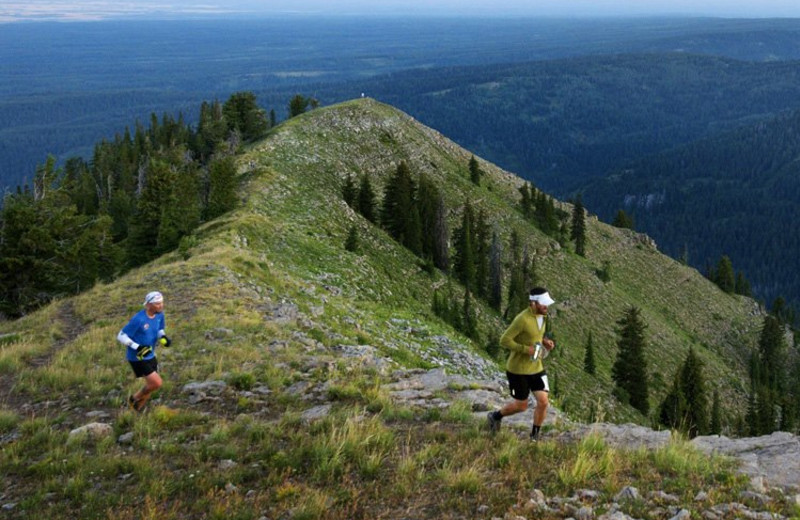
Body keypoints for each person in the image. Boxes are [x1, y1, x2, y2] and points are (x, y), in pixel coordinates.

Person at [487, 287, 556, 441]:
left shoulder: (543, 316)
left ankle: (534, 436)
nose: (546, 307)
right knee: (521, 406)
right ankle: (495, 416)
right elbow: (504, 340)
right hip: (518, 370)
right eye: (543, 304)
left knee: (543, 402)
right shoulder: (522, 319)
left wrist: (544, 342)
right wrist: (526, 350)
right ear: (533, 303)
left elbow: (537, 334)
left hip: (536, 367)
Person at [117, 291, 171, 412]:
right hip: (137, 357)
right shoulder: (139, 319)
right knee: (156, 383)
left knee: (151, 386)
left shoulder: (159, 315)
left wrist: (163, 337)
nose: (161, 306)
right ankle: (134, 399)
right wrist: (138, 347)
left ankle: (135, 410)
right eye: (157, 304)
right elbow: (121, 336)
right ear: (148, 305)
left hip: (151, 354)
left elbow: (160, 329)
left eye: (162, 302)